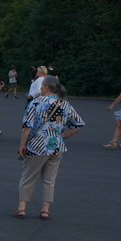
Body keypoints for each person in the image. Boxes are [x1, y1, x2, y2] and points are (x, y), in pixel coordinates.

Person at [16, 75, 85, 220]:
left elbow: (26, 127)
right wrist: (64, 135)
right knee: (49, 179)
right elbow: (79, 124)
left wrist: (22, 144)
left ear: (46, 88)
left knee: (28, 176)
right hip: (56, 146)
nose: (40, 89)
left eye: (41, 87)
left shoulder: (35, 103)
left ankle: (22, 208)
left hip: (37, 146)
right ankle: (45, 209)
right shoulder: (65, 104)